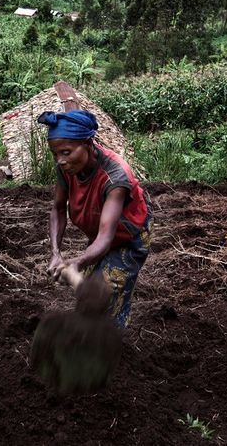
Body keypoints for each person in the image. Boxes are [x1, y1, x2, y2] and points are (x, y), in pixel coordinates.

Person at [38, 109, 153, 328]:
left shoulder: (115, 176)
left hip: (129, 238)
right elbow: (58, 209)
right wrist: (56, 253)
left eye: (66, 152)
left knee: (107, 294)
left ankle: (112, 349)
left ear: (89, 143)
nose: (60, 161)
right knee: (90, 294)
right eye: (55, 155)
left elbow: (106, 238)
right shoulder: (68, 167)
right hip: (100, 235)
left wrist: (77, 262)